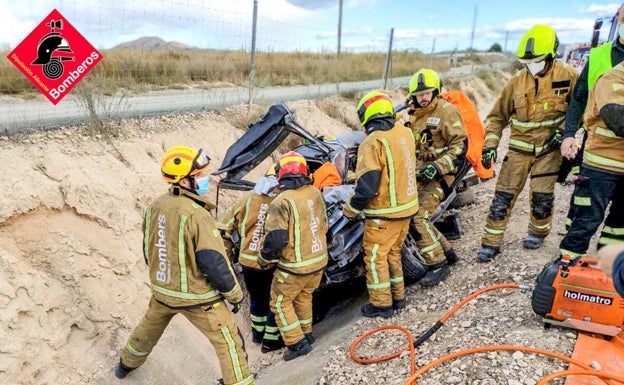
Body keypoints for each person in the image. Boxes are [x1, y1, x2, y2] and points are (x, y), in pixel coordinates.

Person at [114, 146, 255, 385]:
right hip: (198, 298)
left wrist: (161, 278)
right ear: (184, 181)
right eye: (199, 176)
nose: (204, 179)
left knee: (146, 331)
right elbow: (214, 262)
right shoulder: (197, 215)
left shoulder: (156, 206)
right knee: (228, 341)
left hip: (163, 292)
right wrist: (235, 295)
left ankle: (125, 366)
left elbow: (150, 248)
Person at [475, 24, 579, 262]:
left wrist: (565, 132)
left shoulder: (569, 76)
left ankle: (538, 232)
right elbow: (496, 117)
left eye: (537, 61)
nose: (532, 67)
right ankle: (490, 243)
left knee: (542, 197)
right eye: (527, 63)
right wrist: (490, 145)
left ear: (551, 56)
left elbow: (579, 109)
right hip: (519, 150)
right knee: (502, 197)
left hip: (549, 150)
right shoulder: (515, 82)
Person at [343, 90, 419, 318]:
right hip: (407, 209)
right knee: (393, 254)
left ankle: (381, 305)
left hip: (383, 215)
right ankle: (398, 298)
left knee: (375, 259)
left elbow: (367, 186)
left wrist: (350, 209)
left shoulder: (372, 142)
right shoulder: (404, 133)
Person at [560, 3, 624, 234]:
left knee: (620, 220)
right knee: (583, 203)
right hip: (596, 147)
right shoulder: (598, 56)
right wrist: (569, 135)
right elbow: (578, 99)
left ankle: (610, 261)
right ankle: (570, 254)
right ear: (617, 20)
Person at [259, 151, 328, 361]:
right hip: (318, 262)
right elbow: (324, 224)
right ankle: (306, 334)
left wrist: (264, 259)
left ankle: (296, 343)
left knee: (280, 303)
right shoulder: (314, 193)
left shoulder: (281, 202)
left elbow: (276, 240)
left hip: (294, 268)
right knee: (304, 297)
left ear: (281, 175)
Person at [403, 68, 467, 285]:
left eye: (427, 93)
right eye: (419, 94)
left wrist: (438, 167)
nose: (423, 97)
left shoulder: (446, 111)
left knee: (417, 216)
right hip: (420, 176)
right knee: (417, 215)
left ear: (436, 91)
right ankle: (448, 252)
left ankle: (438, 265)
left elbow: (460, 146)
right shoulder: (413, 115)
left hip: (441, 177)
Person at [558, 62, 624, 260]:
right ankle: (567, 269)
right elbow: (617, 119)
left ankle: (607, 268)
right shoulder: (613, 78)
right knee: (587, 220)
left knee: (619, 225)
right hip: (601, 167)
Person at [222, 171, 284, 353]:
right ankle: (271, 341)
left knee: (257, 298)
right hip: (269, 263)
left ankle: (257, 334)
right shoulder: (280, 201)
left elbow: (226, 225)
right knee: (275, 300)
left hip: (247, 262)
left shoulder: (247, 199)